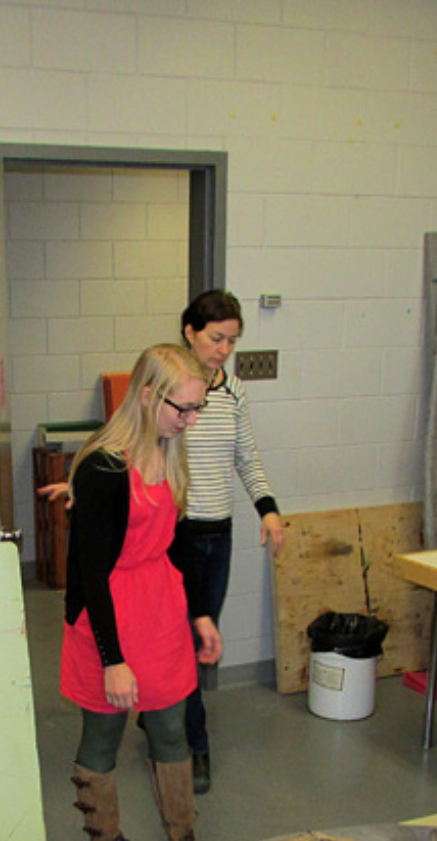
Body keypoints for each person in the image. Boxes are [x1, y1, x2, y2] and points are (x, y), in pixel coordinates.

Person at [62, 344, 223, 841]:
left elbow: (176, 546)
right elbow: (91, 574)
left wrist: (199, 614)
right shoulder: (103, 466)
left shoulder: (170, 450)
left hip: (160, 611)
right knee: (103, 735)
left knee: (171, 728)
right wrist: (114, 660)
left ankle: (183, 840)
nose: (192, 420)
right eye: (185, 409)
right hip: (107, 615)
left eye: (199, 408)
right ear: (149, 395)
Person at [175, 290, 284, 794]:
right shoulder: (170, 390)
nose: (223, 349)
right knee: (188, 638)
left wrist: (268, 509)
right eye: (216, 338)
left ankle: (170, 714)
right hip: (174, 533)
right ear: (190, 332)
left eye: (232, 341)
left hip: (219, 532)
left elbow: (247, 457)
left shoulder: (234, 391)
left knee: (202, 636)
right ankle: (196, 744)